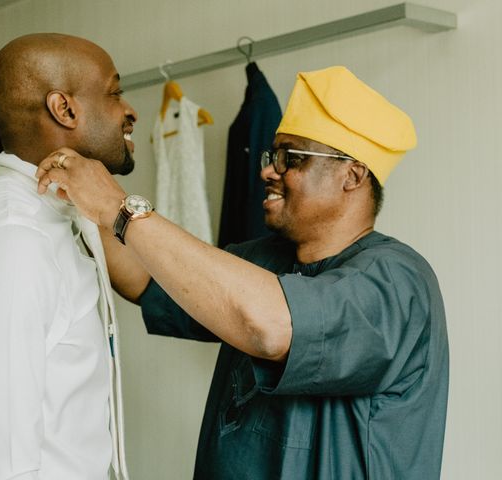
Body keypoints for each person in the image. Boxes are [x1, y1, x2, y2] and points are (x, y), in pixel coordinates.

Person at [36, 65, 449, 479]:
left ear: (352, 175)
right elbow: (145, 277)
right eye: (273, 156)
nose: (268, 170)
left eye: (292, 159)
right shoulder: (265, 259)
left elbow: (271, 328)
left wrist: (118, 208)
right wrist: (72, 194)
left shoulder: (397, 281)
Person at [0, 33, 137, 479]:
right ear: (64, 109)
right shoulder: (13, 239)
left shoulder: (60, 215)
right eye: (115, 92)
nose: (129, 110)